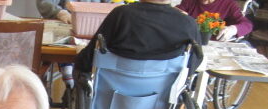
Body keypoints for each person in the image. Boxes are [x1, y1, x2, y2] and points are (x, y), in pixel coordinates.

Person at [74, 0, 203, 75]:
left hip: (110, 97)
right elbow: (193, 64)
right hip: (162, 102)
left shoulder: (121, 15)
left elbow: (88, 59)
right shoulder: (188, 23)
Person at [36, 0, 112, 88]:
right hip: (66, 26)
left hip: (95, 28)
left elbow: (112, 5)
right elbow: (44, 3)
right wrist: (59, 13)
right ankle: (67, 69)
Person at [177, 0, 253, 41]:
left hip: (214, 44)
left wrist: (233, 29)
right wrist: (175, 13)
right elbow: (177, 12)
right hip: (191, 42)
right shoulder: (189, 1)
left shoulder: (228, 3)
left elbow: (247, 24)